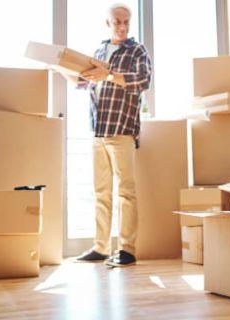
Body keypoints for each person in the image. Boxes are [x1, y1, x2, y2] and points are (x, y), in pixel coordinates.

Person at [70, 3, 152, 267]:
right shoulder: (100, 51)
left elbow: (142, 80)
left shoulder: (137, 50)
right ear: (108, 23)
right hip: (99, 130)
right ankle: (101, 247)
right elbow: (87, 83)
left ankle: (127, 250)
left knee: (126, 192)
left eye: (126, 21)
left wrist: (110, 74)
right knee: (101, 192)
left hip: (122, 130)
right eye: (117, 21)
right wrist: (66, 72)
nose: (122, 25)